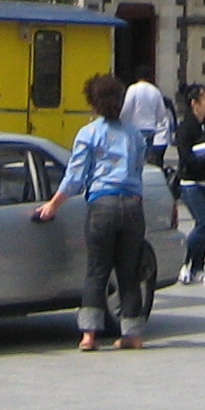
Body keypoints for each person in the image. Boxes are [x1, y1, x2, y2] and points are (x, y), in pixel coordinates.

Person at [33, 72, 150, 349]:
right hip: (132, 206)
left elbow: (74, 177)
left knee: (97, 270)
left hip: (102, 205)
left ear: (93, 103)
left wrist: (52, 205)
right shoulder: (134, 134)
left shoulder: (89, 133)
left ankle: (89, 334)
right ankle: (132, 334)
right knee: (129, 273)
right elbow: (138, 169)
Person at [174, 83, 205, 285]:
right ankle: (182, 261)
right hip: (191, 182)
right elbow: (185, 157)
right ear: (195, 103)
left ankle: (198, 268)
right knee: (202, 222)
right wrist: (204, 159)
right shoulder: (185, 128)